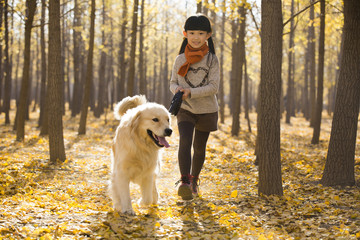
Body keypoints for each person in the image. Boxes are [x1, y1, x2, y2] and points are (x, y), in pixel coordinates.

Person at [170, 14, 220, 200]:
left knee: (199, 148)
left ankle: (194, 180)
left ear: (208, 35)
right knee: (184, 140)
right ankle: (184, 181)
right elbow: (172, 82)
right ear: (185, 34)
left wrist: (191, 91)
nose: (196, 37)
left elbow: (214, 87)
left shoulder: (212, 60)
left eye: (200, 33)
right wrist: (178, 90)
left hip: (207, 110)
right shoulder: (179, 59)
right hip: (186, 108)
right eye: (192, 33)